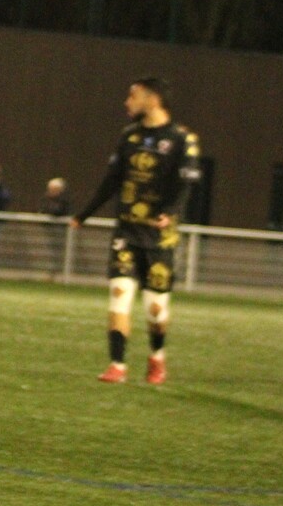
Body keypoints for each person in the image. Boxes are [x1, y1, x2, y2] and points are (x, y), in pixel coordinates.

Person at [72, 77, 201, 385]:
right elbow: (112, 180)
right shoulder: (129, 136)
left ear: (152, 99)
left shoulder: (183, 139)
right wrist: (84, 214)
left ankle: (157, 357)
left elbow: (186, 183)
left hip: (160, 238)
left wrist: (170, 212)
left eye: (133, 96)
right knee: (120, 294)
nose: (127, 102)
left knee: (156, 310)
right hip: (126, 232)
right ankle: (117, 365)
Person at [38, 177, 72, 278]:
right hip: (48, 229)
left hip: (60, 229)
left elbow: (59, 211)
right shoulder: (45, 199)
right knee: (51, 251)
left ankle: (57, 273)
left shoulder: (64, 200)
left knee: (58, 251)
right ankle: (51, 273)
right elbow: (42, 210)